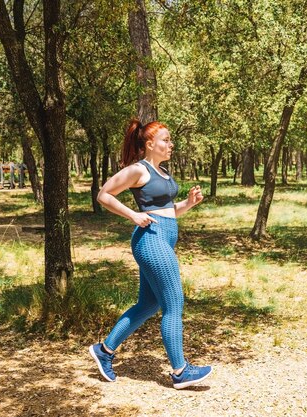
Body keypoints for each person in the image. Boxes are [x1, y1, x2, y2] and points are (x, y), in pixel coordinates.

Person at [89, 119, 212, 390]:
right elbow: (104, 194)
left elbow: (168, 210)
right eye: (166, 140)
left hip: (164, 237)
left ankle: (104, 351)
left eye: (170, 140)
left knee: (148, 305)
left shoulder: (163, 171)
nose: (171, 144)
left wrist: (189, 204)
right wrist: (133, 215)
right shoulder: (138, 170)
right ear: (149, 144)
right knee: (174, 303)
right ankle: (180, 371)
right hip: (151, 240)